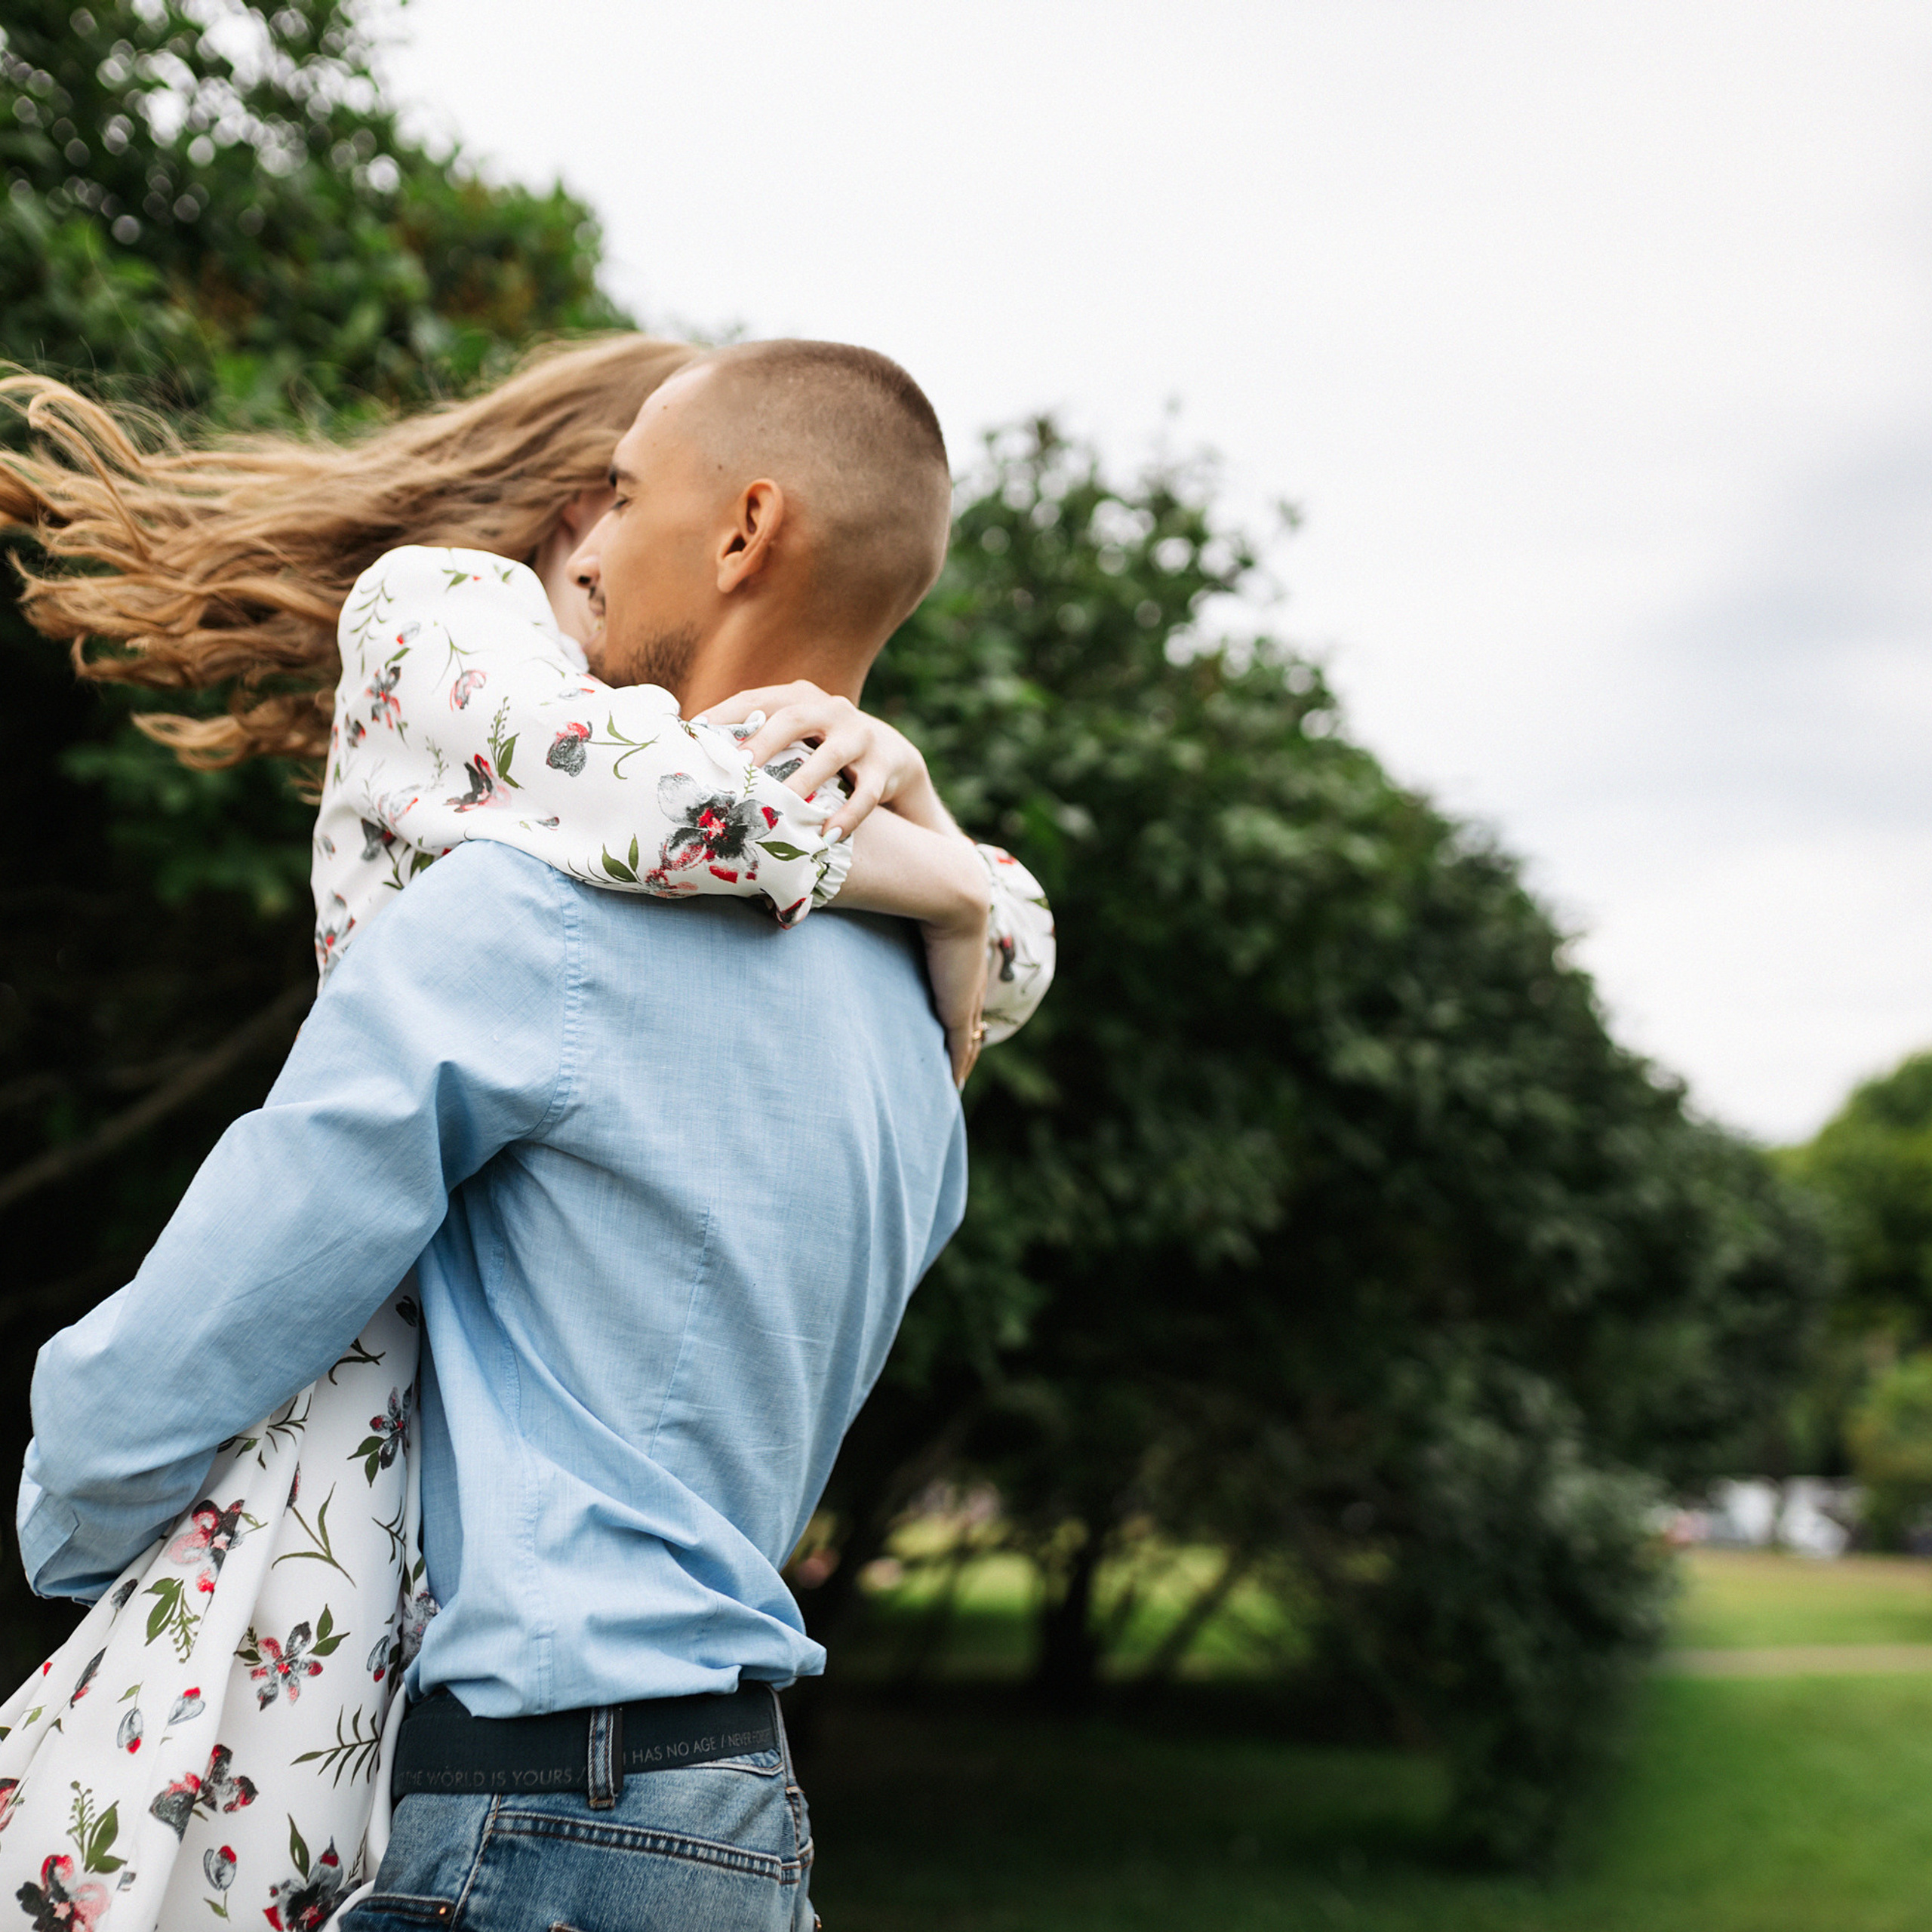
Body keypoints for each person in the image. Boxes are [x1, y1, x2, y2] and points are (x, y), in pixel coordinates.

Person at [2, 339, 1050, 1932]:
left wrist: (69, 1485)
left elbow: (245, 1265)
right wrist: (958, 868)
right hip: (743, 1810)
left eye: (624, 497)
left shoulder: (529, 917)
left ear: (742, 528)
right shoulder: (922, 1013)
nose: (589, 550)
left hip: (543, 1805)